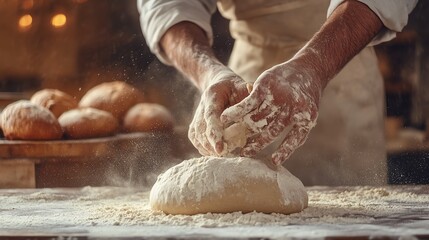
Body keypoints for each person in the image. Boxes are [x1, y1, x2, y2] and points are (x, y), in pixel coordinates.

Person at [138, 0, 418, 185]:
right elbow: (168, 5)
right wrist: (210, 73)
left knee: (348, 220)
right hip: (244, 87)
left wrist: (314, 67)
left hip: (341, 66)